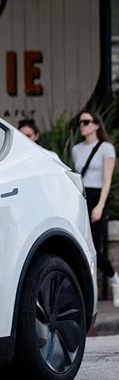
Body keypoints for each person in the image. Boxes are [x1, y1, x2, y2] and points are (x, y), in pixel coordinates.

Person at [71, 111, 119, 307]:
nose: (82, 125)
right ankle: (87, 295)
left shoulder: (106, 148)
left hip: (98, 196)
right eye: (80, 122)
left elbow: (107, 179)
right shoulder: (76, 149)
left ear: (96, 125)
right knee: (81, 246)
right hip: (81, 197)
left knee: (95, 249)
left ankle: (115, 279)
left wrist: (100, 205)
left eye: (86, 122)